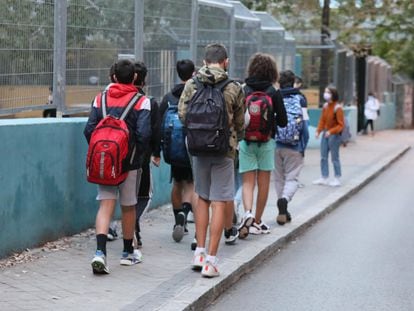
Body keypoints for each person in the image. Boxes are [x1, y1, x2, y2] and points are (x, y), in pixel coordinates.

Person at [178, 43, 245, 278]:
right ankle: (212, 262)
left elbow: (183, 114)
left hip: (198, 149)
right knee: (220, 201)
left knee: (203, 198)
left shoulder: (192, 84)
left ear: (204, 62)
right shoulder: (234, 87)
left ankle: (199, 251)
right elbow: (240, 122)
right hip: (224, 150)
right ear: (226, 62)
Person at [84, 59, 151, 274]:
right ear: (134, 78)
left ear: (113, 77)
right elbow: (143, 134)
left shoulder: (99, 99)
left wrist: (103, 153)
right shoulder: (141, 101)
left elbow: (89, 130)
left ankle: (100, 253)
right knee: (128, 206)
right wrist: (135, 156)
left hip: (104, 162)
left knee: (105, 205)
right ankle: (127, 253)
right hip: (129, 163)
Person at [237, 52, 287, 239]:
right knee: (263, 182)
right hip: (266, 141)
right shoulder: (273, 92)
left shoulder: (243, 89)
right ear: (272, 71)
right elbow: (282, 121)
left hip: (246, 141)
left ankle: (247, 213)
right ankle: (256, 222)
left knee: (247, 182)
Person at [159, 59, 196, 243]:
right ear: (194, 73)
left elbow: (159, 125)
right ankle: (185, 214)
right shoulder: (196, 94)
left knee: (177, 184)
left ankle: (177, 219)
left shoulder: (168, 98)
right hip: (191, 148)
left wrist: (156, 152)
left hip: (173, 151)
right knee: (190, 185)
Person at [274, 70, 309, 225]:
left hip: (276, 144)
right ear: (293, 82)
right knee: (292, 178)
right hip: (294, 146)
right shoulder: (300, 99)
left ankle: (282, 209)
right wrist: (303, 146)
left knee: (279, 178)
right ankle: (285, 200)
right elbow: (305, 127)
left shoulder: (275, 96)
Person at [313, 85, 344, 187]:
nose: (325, 94)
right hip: (325, 134)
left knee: (334, 157)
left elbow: (341, 125)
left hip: (334, 135)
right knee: (323, 156)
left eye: (328, 92)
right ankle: (324, 177)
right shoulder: (326, 106)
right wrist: (318, 131)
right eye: (325, 92)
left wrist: (331, 131)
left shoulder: (337, 108)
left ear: (333, 94)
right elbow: (322, 120)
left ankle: (337, 177)